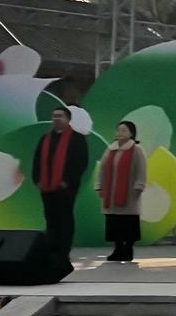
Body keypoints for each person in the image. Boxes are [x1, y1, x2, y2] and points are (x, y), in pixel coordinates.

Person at [32, 105, 89, 259]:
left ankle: (64, 250)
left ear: (68, 119)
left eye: (60, 116)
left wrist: (67, 181)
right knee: (50, 218)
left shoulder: (77, 138)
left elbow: (81, 162)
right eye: (54, 116)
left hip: (66, 188)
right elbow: (37, 160)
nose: (56, 118)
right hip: (46, 187)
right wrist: (37, 179)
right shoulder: (45, 139)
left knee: (64, 218)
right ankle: (52, 249)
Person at [96, 119, 147, 264]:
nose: (120, 133)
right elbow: (102, 169)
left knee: (128, 222)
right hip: (111, 193)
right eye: (118, 130)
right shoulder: (110, 149)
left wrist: (139, 186)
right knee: (114, 222)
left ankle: (128, 248)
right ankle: (117, 248)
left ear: (131, 133)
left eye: (124, 130)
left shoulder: (137, 150)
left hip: (130, 194)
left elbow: (141, 169)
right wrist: (99, 186)